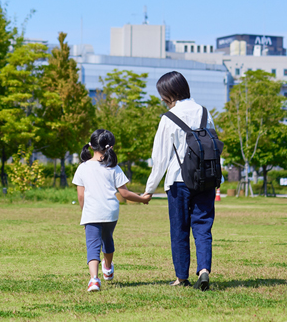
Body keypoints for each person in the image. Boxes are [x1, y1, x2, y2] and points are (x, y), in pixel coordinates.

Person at [144, 71, 217, 291]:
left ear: (169, 93)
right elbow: (212, 145)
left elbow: (160, 159)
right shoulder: (205, 112)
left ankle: (181, 277)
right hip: (206, 179)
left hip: (178, 181)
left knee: (179, 229)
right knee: (203, 227)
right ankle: (203, 270)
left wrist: (149, 190)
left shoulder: (168, 119)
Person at [73, 129, 151, 292]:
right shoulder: (113, 167)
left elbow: (81, 195)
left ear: (91, 146)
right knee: (107, 239)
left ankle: (94, 279)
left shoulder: (83, 168)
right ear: (111, 147)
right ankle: (107, 268)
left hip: (92, 212)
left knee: (93, 245)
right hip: (110, 212)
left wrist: (84, 211)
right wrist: (143, 199)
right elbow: (124, 193)